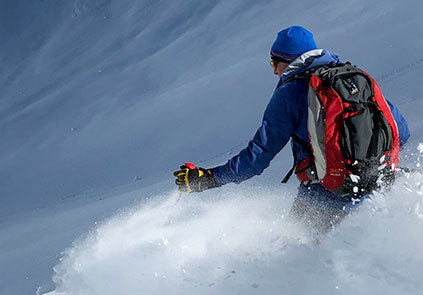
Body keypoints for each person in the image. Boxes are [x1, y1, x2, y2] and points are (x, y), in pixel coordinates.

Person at [174, 26, 410, 231]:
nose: (275, 71)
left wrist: (208, 178)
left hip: (326, 193)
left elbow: (257, 158)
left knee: (295, 255)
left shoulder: (289, 95)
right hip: (380, 179)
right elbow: (401, 130)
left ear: (286, 60)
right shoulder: (350, 77)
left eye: (274, 63)